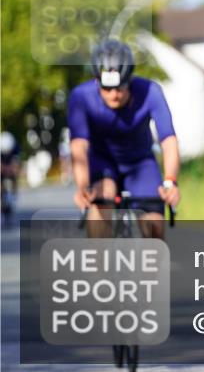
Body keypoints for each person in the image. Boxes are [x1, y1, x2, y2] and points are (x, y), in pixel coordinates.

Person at [68, 39, 181, 238]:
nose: (114, 94)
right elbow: (79, 146)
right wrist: (83, 186)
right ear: (97, 81)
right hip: (102, 162)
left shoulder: (150, 91)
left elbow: (168, 140)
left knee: (154, 225)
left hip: (140, 163)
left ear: (129, 80)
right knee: (102, 201)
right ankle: (98, 257)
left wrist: (170, 181)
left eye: (120, 87)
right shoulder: (81, 97)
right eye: (107, 88)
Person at [1, 131, 21, 216]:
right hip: (2, 162)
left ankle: (13, 194)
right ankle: (2, 195)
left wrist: (12, 170)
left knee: (14, 174)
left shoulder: (16, 147)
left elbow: (16, 163)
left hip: (11, 163)